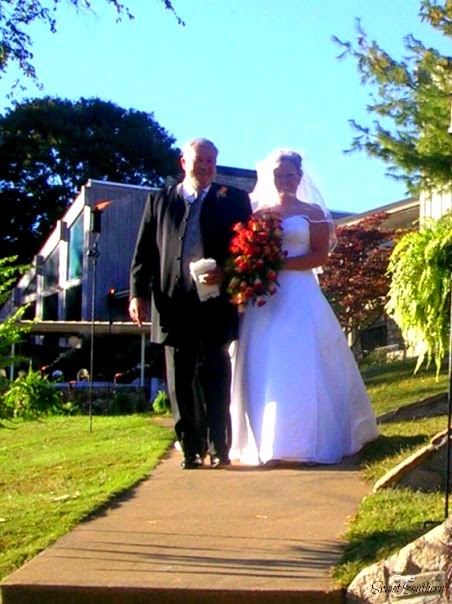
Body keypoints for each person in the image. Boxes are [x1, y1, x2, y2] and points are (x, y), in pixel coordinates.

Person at [230, 149, 378, 466]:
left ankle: (304, 439)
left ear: (299, 177)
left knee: (300, 358)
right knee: (266, 360)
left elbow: (319, 256)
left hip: (299, 292)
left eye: (289, 175)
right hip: (265, 296)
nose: (284, 180)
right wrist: (255, 267)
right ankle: (267, 440)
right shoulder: (258, 214)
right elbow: (244, 253)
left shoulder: (313, 213)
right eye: (278, 175)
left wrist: (278, 263)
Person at [129, 138, 252, 469]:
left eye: (212, 160)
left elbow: (246, 250)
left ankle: (220, 446)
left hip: (215, 302)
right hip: (173, 302)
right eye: (200, 160)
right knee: (180, 378)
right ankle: (190, 449)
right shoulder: (160, 200)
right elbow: (144, 253)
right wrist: (137, 294)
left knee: (216, 374)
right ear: (184, 162)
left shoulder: (234, 199)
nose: (207, 166)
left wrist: (227, 271)